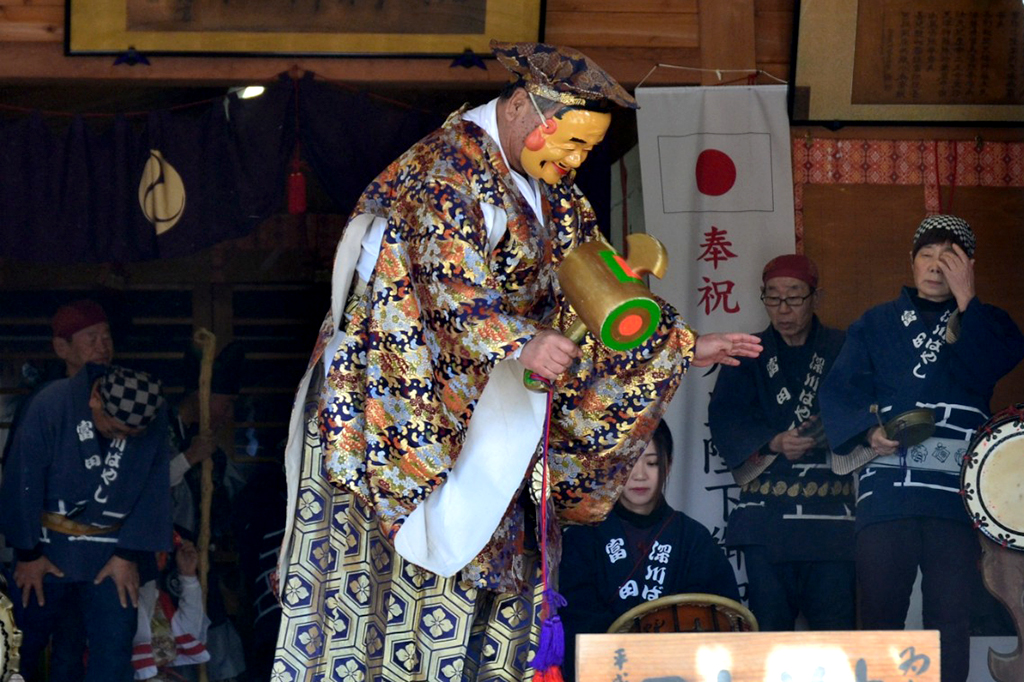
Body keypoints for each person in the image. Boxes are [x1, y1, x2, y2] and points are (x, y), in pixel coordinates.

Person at [271, 39, 760, 682]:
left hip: (496, 415)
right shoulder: (442, 168)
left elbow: (600, 284)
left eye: (587, 150)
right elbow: (440, 281)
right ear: (529, 113)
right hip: (391, 416)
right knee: (387, 599)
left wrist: (682, 344)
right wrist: (517, 340)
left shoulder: (551, 190)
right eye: (573, 144)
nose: (578, 160)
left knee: (496, 593)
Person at [820, 215, 1024, 682]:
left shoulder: (986, 323)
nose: (936, 267)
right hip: (890, 484)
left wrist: (968, 299)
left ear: (967, 267)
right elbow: (839, 392)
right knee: (879, 609)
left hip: (957, 492)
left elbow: (995, 362)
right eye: (927, 256)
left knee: (952, 615)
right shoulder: (875, 323)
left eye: (949, 259)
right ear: (911, 264)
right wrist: (869, 432)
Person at [708, 254, 855, 632]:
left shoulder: (843, 349)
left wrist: (829, 430)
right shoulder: (748, 354)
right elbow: (726, 418)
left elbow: (863, 407)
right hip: (767, 520)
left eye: (794, 297)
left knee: (836, 634)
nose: (783, 308)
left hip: (831, 522)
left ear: (815, 297)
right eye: (773, 298)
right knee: (769, 633)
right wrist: (774, 441)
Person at [0, 364, 173, 682]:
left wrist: (129, 554)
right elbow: (22, 473)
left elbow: (154, 486)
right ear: (95, 397)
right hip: (46, 546)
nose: (121, 438)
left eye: (129, 436)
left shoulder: (152, 418)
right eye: (115, 429)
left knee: (114, 647)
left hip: (112, 552)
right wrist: (27, 553)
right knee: (20, 644)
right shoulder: (52, 403)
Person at [558, 420, 740, 682]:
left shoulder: (694, 539)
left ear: (669, 464)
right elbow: (576, 621)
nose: (639, 475)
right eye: (628, 462)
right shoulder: (583, 536)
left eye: (651, 463)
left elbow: (722, 617)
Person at [132, 529, 211, 681]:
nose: (159, 557)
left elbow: (191, 630)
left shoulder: (163, 597)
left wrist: (188, 575)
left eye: (162, 553)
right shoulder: (118, 591)